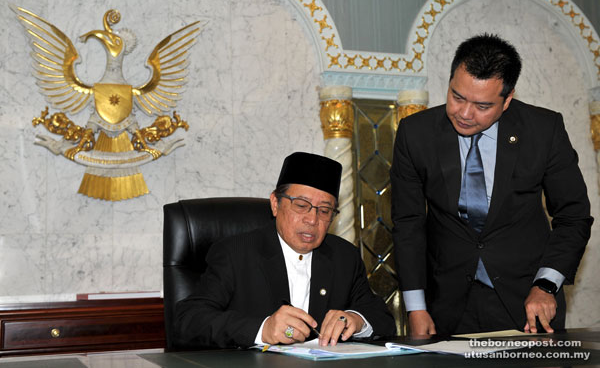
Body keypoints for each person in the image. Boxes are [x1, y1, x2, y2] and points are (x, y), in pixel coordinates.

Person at [391, 34, 593, 336]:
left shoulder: (543, 130)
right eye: (457, 97)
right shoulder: (415, 133)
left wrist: (546, 284)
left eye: (482, 105)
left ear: (507, 100)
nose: (465, 113)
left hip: (528, 303)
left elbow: (573, 216)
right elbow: (408, 224)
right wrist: (416, 307)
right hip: (446, 305)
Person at [175, 152, 396, 348]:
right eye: (301, 206)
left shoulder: (343, 257)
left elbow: (383, 319)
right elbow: (188, 321)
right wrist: (263, 329)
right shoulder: (235, 253)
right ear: (275, 204)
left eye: (325, 210)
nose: (312, 220)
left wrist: (355, 320)